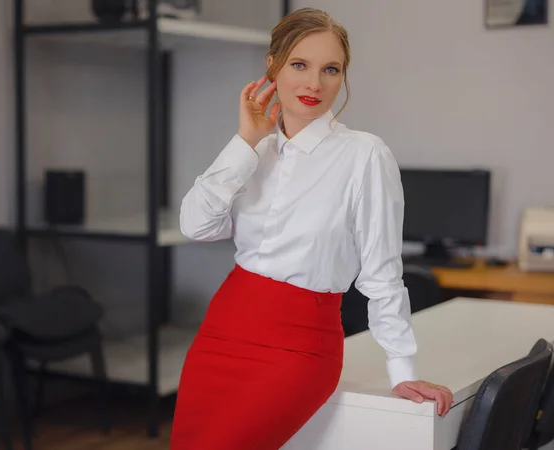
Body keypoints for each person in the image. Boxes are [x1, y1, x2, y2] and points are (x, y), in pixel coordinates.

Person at [170, 7, 453, 449]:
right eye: (300, 64)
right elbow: (196, 225)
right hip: (223, 332)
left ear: (343, 77)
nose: (314, 84)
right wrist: (244, 141)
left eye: (331, 69)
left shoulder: (365, 155)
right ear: (272, 65)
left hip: (299, 349)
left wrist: (402, 372)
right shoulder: (252, 151)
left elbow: (382, 273)